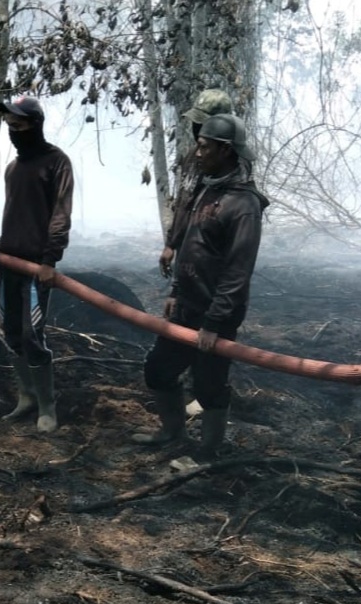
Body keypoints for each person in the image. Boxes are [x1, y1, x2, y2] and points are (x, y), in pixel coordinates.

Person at [133, 114, 268, 459]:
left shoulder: (244, 205)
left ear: (225, 150)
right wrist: (176, 291)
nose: (197, 152)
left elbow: (238, 272)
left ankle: (207, 452)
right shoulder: (207, 190)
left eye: (205, 146)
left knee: (208, 385)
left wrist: (213, 322)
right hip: (186, 306)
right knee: (159, 370)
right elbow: (192, 246)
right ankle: (171, 432)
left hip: (216, 316)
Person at [0, 95, 74, 433]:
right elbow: (16, 215)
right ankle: (27, 396)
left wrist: (50, 260)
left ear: (35, 125)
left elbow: (60, 214)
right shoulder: (13, 169)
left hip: (36, 266)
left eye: (18, 126)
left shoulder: (56, 162)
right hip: (9, 264)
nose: (12, 132)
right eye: (9, 127)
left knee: (33, 335)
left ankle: (48, 408)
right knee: (11, 333)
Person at [158, 89, 235, 280]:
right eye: (196, 121)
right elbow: (185, 202)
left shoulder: (229, 164)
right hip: (189, 257)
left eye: (202, 122)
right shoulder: (194, 158)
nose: (196, 127)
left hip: (213, 259)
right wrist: (171, 244)